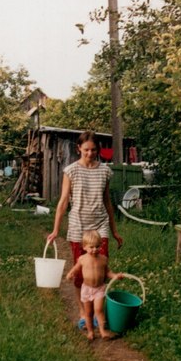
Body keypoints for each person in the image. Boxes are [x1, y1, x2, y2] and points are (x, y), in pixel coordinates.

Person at [47, 131, 123, 328]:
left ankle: (98, 312)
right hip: (78, 225)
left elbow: (107, 202)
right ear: (78, 148)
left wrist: (114, 231)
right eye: (86, 149)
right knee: (81, 273)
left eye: (94, 150)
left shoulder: (105, 171)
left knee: (99, 268)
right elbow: (64, 201)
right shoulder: (71, 171)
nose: (90, 153)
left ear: (98, 150)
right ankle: (83, 312)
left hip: (100, 225)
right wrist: (56, 230)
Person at [66, 229, 123, 340]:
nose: (95, 249)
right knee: (88, 312)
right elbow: (76, 269)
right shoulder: (82, 259)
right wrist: (70, 274)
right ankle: (91, 332)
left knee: (99, 310)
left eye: (97, 246)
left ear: (101, 245)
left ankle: (102, 331)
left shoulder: (103, 259)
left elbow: (108, 272)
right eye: (91, 247)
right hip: (86, 289)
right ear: (84, 247)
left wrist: (115, 276)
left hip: (99, 289)